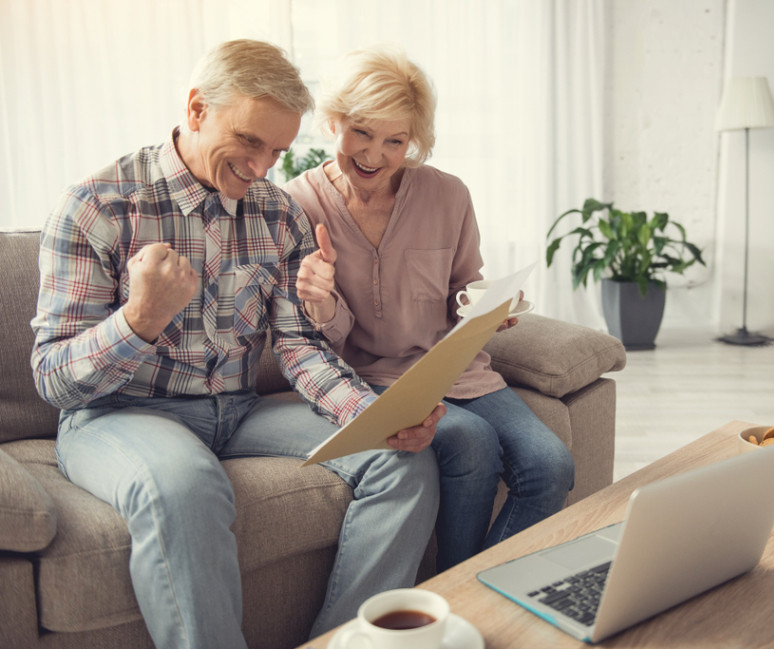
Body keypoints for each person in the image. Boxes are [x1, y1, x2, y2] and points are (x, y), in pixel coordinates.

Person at [31, 39, 444, 648]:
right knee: (186, 485)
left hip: (238, 409)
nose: (261, 167)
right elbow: (52, 379)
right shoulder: (99, 206)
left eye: (277, 150)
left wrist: (374, 416)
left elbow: (301, 347)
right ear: (197, 109)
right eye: (249, 141)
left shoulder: (278, 215)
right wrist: (139, 320)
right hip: (118, 416)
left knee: (402, 459)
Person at [284, 45, 575, 572]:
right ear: (333, 122)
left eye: (395, 140)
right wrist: (322, 300)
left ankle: (469, 593)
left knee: (551, 465)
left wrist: (487, 308)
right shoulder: (297, 205)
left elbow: (464, 287)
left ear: (413, 140)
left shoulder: (448, 195)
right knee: (475, 444)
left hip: (459, 371)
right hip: (371, 379)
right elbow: (316, 343)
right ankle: (455, 598)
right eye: (362, 133)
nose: (375, 154)